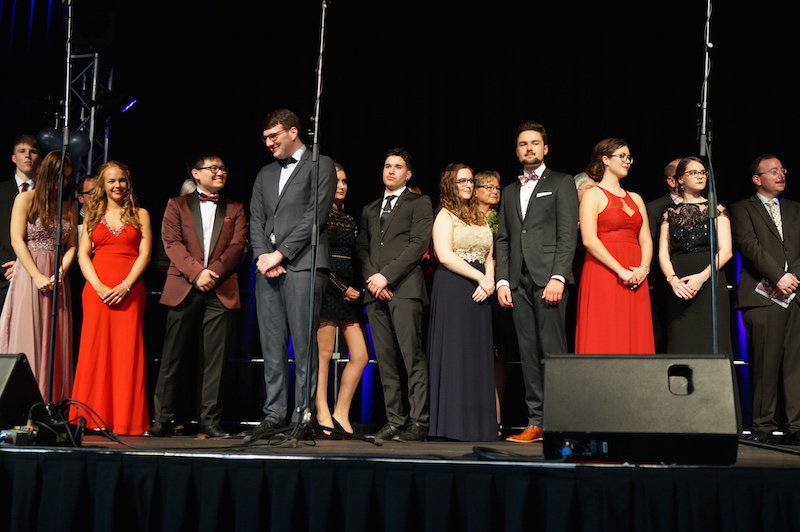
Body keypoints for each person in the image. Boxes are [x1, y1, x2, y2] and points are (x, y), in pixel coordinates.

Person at [244, 109, 336, 442]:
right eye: (265, 138)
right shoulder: (265, 173)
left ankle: (302, 416)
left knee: (304, 345)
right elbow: (256, 219)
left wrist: (280, 254)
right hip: (267, 268)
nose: (269, 143)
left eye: (274, 136)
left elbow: (315, 216)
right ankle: (273, 415)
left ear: (293, 131)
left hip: (303, 264)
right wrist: (263, 257)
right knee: (271, 345)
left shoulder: (320, 164)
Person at [148, 154, 248, 439]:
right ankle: (162, 418)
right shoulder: (176, 204)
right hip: (183, 286)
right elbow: (172, 243)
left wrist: (212, 273)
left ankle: (209, 420)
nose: (220, 172)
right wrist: (197, 273)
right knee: (173, 357)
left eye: (223, 168)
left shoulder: (235, 207)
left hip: (220, 287)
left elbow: (238, 245)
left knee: (214, 360)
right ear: (196, 173)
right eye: (213, 168)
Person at [495, 121, 578, 443]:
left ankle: (562, 423)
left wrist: (559, 276)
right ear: (517, 151)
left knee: (553, 351)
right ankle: (537, 422)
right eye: (522, 144)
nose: (528, 148)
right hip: (518, 280)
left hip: (549, 278)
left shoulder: (561, 182)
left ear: (545, 148)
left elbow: (567, 233)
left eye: (534, 143)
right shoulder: (509, 191)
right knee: (528, 352)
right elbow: (503, 239)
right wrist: (503, 281)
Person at [355, 148, 433, 442]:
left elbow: (417, 245)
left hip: (404, 289)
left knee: (411, 356)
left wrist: (385, 276)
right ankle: (394, 420)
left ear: (408, 174)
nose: (391, 170)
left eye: (398, 167)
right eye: (387, 166)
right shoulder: (370, 208)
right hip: (375, 292)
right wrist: (373, 279)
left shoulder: (419, 202)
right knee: (386, 359)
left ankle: (419, 421)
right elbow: (362, 248)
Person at [68, 161, 151, 435]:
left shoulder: (141, 214)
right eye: (112, 181)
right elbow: (82, 255)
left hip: (130, 291)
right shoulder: (93, 215)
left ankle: (126, 420)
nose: (117, 185)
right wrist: (99, 287)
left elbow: (145, 254)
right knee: (94, 352)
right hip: (97, 292)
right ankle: (90, 418)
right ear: (103, 186)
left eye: (122, 180)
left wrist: (126, 285)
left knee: (127, 354)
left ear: (128, 183)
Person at [729, 154, 800, 444]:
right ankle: (764, 426)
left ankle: (796, 426)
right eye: (773, 171)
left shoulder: (795, 209)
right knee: (765, 363)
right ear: (757, 179)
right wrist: (778, 276)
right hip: (762, 295)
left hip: (795, 293)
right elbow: (749, 246)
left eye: (782, 170)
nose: (781, 175)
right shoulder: (741, 209)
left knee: (795, 364)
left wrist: (793, 276)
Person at [0, 150, 77, 402]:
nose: (61, 184)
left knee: (54, 338)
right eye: (58, 178)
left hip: (57, 277)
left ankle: (52, 402)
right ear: (45, 175)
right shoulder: (25, 199)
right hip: (29, 273)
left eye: (67, 178)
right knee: (27, 334)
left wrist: (61, 271)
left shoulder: (69, 206)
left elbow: (72, 247)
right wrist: (35, 275)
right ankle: (22, 403)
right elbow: (16, 240)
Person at [427, 163, 496, 442]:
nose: (468, 185)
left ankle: (478, 426)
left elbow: (489, 255)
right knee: (455, 355)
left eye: (470, 181)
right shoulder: (444, 215)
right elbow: (444, 255)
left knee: (476, 356)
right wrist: (480, 278)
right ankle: (452, 426)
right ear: (450, 185)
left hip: (481, 290)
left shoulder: (479, 216)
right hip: (454, 288)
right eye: (462, 181)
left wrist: (489, 280)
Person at [575, 138, 654, 354]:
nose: (627, 161)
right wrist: (620, 270)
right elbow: (589, 239)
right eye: (622, 156)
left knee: (634, 332)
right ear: (606, 159)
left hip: (635, 272)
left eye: (629, 157)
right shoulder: (593, 194)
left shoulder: (636, 198)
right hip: (604, 270)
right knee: (605, 329)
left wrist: (643, 269)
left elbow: (646, 239)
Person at [315, 162, 369, 437]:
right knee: (323, 355)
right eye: (336, 181)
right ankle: (321, 411)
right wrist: (341, 287)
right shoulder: (319, 216)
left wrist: (356, 287)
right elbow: (319, 261)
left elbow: (357, 257)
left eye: (345, 181)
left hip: (350, 292)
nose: (341, 186)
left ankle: (341, 412)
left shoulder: (348, 219)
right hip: (328, 288)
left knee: (360, 355)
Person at [658, 156, 733, 355]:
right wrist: (673, 281)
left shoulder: (717, 209)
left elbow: (726, 251)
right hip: (679, 285)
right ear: (680, 179)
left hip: (710, 280)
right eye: (693, 173)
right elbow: (663, 253)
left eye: (702, 173)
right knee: (682, 340)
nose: (700, 177)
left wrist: (701, 278)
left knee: (712, 339)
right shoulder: (669, 213)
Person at [474, 170, 518, 435]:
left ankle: (497, 418)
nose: (494, 191)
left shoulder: (505, 218)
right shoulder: (465, 218)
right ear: (474, 190)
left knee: (499, 356)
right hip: (472, 288)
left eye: (497, 187)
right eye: (487, 186)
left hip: (500, 289)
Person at [646, 157, 683, 352]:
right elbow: (650, 246)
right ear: (672, 180)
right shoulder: (655, 208)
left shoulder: (710, 206)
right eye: (687, 171)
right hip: (665, 286)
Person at [1, 134, 40, 311]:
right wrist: (8, 264)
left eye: (33, 152)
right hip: (4, 274)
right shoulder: (1, 191)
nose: (27, 156)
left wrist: (24, 265)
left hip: (36, 273)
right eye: (22, 151)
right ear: (13, 158)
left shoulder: (47, 195)